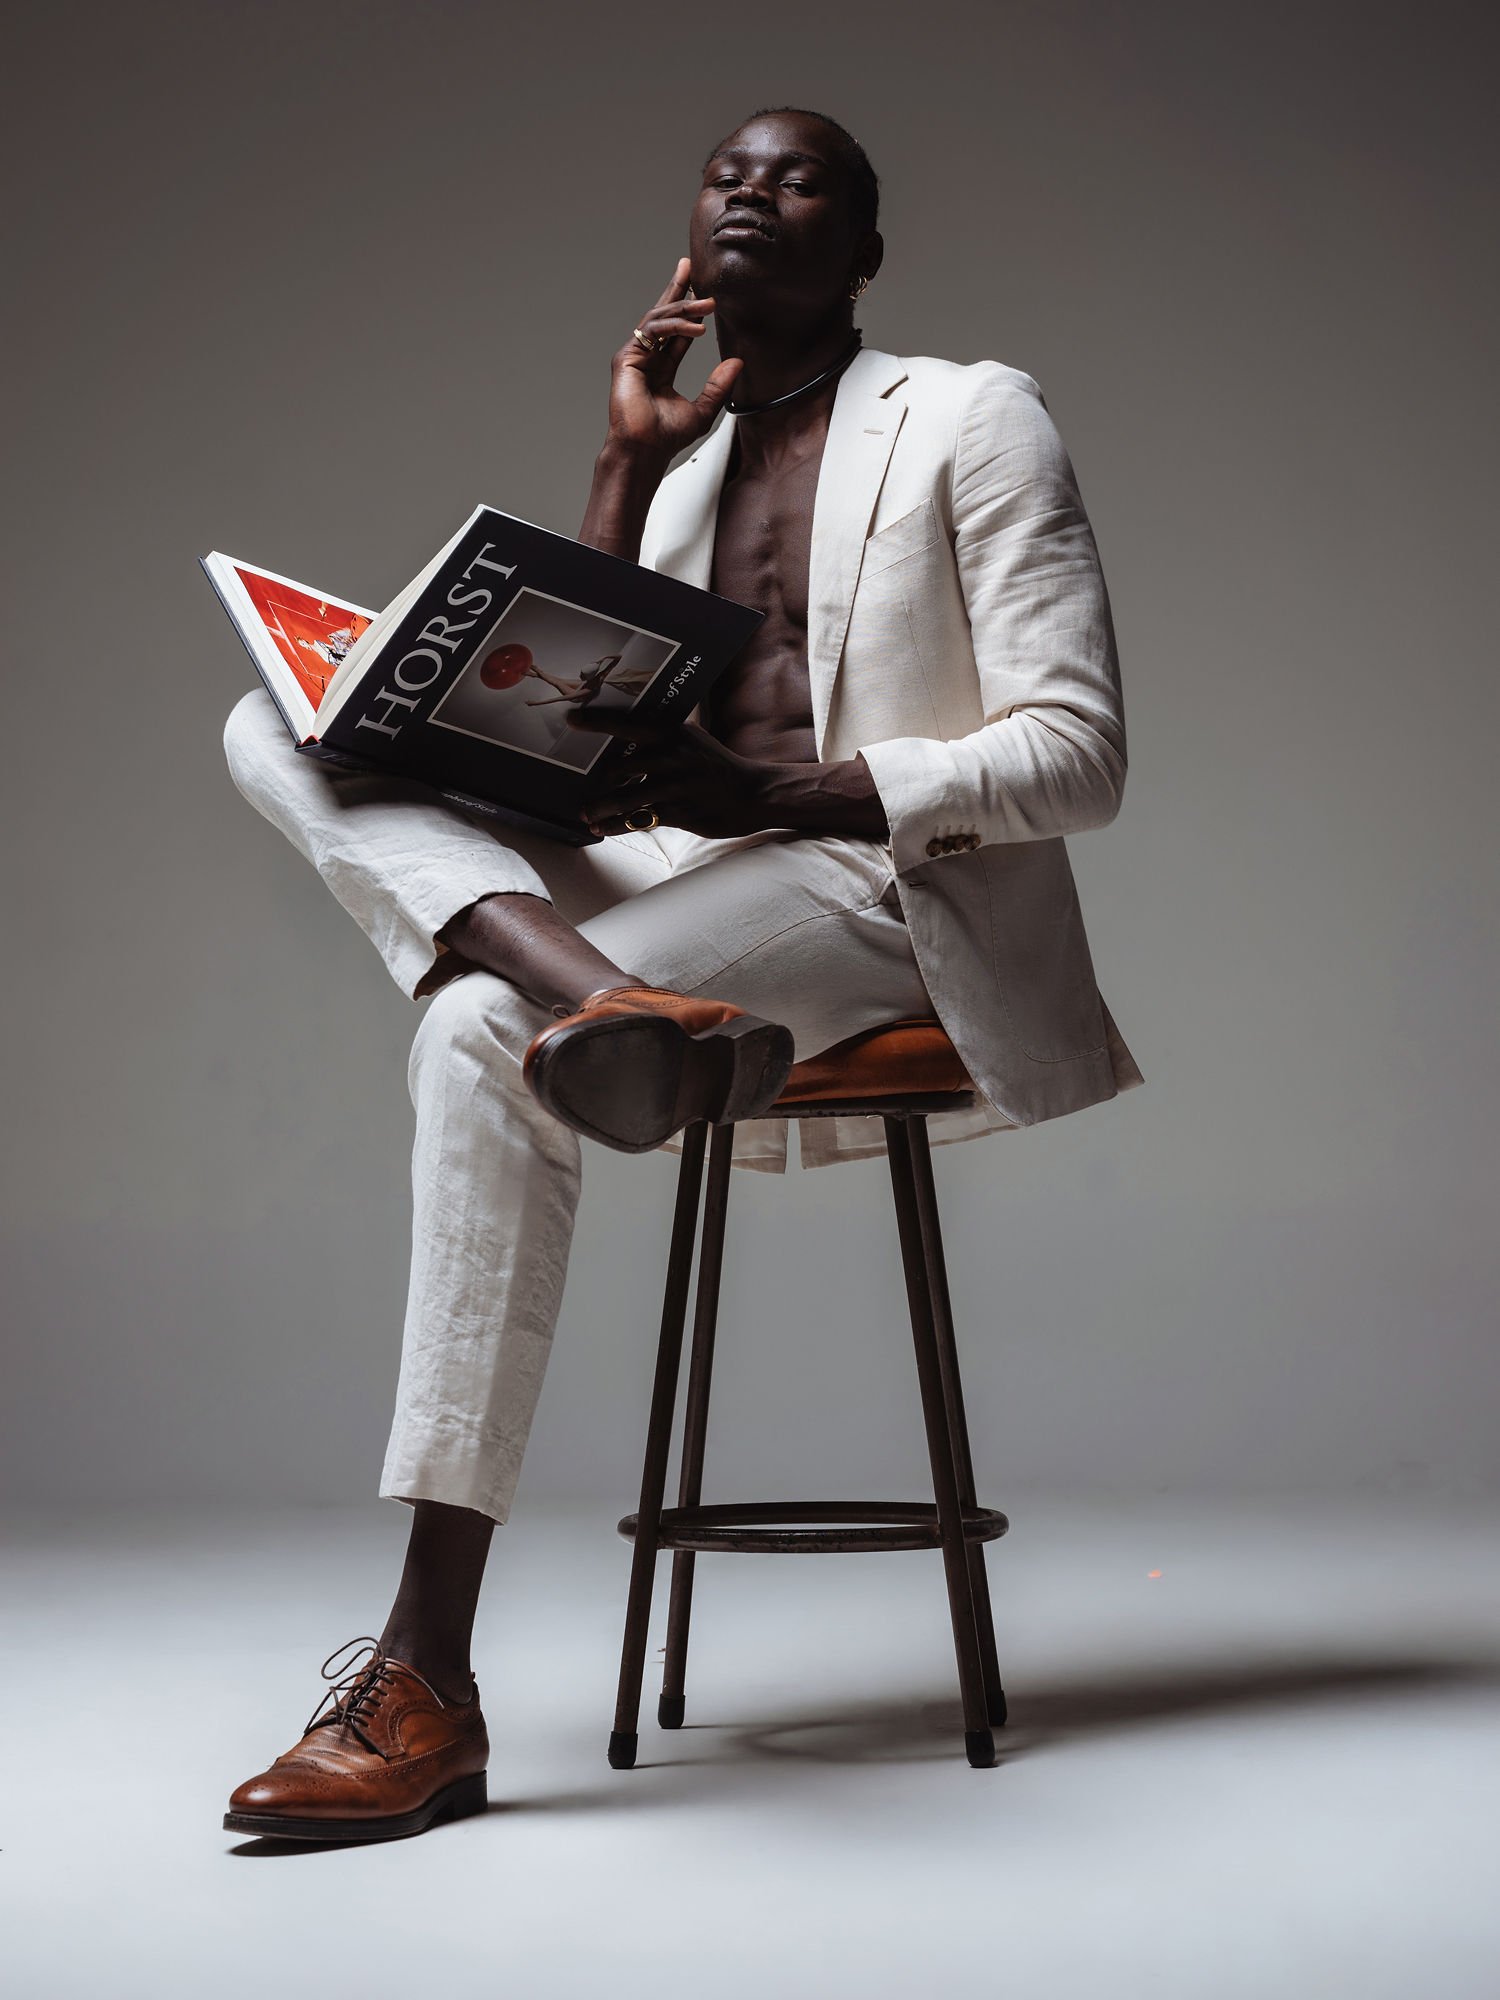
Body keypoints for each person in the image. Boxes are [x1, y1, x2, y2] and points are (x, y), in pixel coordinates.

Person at [220, 105, 1142, 1843]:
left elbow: (1079, 754)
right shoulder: (690, 461)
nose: (750, 192)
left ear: (866, 250)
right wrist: (623, 471)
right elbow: (559, 747)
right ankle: (601, 996)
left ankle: (423, 1675)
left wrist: (780, 790)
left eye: (799, 178)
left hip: (874, 885)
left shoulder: (968, 411)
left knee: (473, 1037)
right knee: (278, 718)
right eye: (726, 173)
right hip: (678, 884)